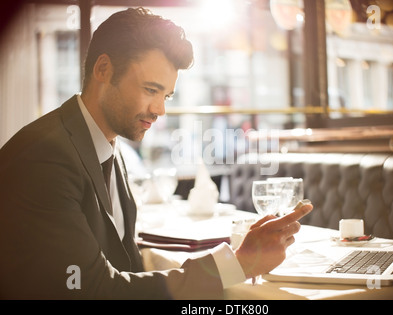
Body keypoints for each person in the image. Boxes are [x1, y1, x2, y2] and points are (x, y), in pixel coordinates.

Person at [0, 7, 313, 299]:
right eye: (150, 90)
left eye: (166, 95)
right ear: (104, 69)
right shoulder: (45, 158)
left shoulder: (108, 145)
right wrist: (240, 263)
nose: (160, 109)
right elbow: (94, 288)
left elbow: (124, 264)